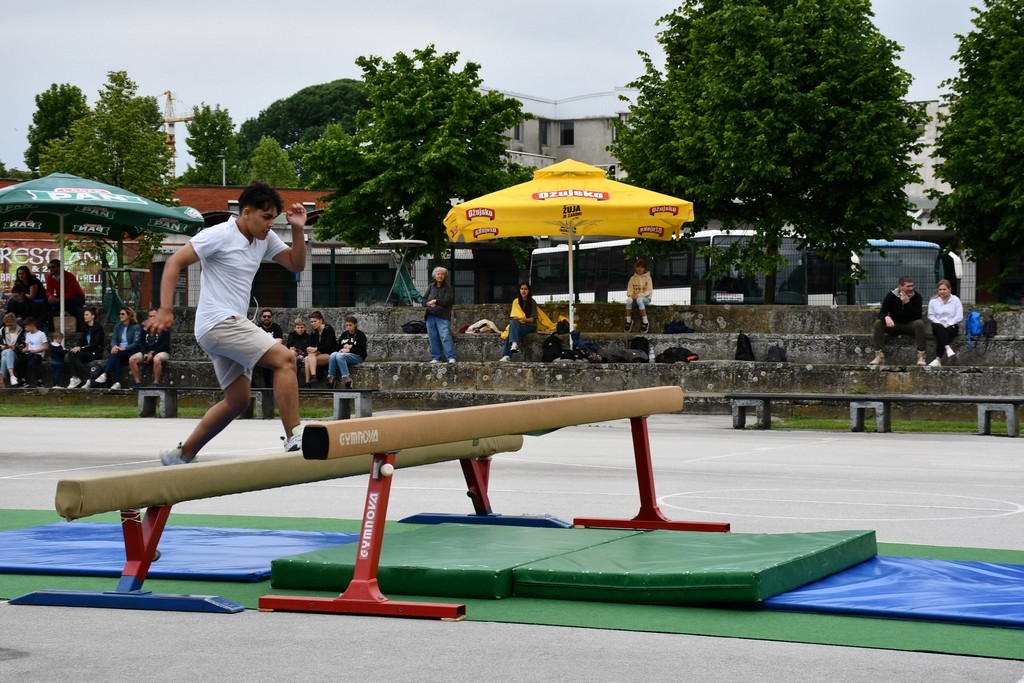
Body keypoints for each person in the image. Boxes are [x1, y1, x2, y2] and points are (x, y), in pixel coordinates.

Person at [148, 181, 307, 464]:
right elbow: (174, 262)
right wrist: (165, 308)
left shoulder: (264, 239)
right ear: (247, 212)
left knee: (238, 401)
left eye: (274, 219)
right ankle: (295, 437)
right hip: (218, 321)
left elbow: (296, 264)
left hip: (223, 327)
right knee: (285, 359)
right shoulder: (218, 234)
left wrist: (297, 229)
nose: (270, 225)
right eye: (266, 218)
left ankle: (182, 454)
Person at [869, 276, 927, 366]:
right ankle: (879, 355)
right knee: (878, 323)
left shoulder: (917, 296)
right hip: (894, 326)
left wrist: (907, 303)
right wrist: (886, 318)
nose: (911, 288)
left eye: (912, 286)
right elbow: (882, 313)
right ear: (900, 286)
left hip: (909, 325)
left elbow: (917, 316)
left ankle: (921, 356)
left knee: (919, 324)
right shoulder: (891, 296)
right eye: (908, 286)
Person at [499, 282, 556, 362]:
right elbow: (513, 317)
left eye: (525, 289)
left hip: (530, 327)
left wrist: (521, 318)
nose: (523, 291)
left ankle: (507, 355)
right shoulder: (516, 302)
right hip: (519, 325)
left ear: (529, 291)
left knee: (512, 330)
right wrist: (518, 319)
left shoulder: (532, 302)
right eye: (521, 289)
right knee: (513, 324)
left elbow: (532, 320)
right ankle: (514, 344)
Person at [88, 307, 141, 389]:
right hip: (119, 351)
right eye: (120, 314)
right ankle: (117, 383)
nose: (120, 316)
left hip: (130, 351)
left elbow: (135, 343)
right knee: (116, 357)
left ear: (129, 315)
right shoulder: (118, 326)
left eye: (123, 314)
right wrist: (114, 346)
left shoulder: (135, 327)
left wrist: (124, 348)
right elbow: (114, 339)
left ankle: (105, 374)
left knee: (115, 355)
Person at [129, 308, 171, 388]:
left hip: (162, 351)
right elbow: (141, 343)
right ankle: (138, 382)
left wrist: (153, 354)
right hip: (147, 352)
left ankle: (156, 382)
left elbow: (164, 345)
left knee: (156, 359)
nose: (152, 318)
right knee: (132, 359)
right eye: (150, 316)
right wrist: (145, 354)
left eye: (154, 316)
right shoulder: (145, 328)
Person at [926, 279, 964, 367]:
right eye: (940, 289)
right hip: (937, 325)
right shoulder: (933, 301)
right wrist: (940, 323)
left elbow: (959, 316)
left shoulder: (955, 300)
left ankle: (938, 360)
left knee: (942, 335)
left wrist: (949, 323)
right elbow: (931, 316)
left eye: (944, 289)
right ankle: (948, 348)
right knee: (939, 327)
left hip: (951, 326)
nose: (942, 291)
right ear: (937, 290)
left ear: (949, 289)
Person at [66, 306, 106, 389]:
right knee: (72, 354)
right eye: (84, 315)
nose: (85, 316)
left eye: (87, 315)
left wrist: (81, 348)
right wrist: (77, 346)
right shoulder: (85, 327)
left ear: (93, 316)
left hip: (95, 351)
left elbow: (95, 343)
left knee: (75, 356)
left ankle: (85, 378)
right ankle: (76, 378)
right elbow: (82, 340)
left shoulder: (98, 328)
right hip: (87, 351)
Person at [423, 265, 456, 363]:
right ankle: (436, 357)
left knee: (445, 335)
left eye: (442, 274)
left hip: (443, 315)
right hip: (430, 315)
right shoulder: (430, 287)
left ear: (445, 276)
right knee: (432, 337)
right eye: (438, 274)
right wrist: (428, 303)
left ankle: (451, 357)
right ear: (435, 276)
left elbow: (447, 301)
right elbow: (423, 300)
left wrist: (435, 301)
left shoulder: (448, 288)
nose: (440, 276)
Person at [45, 259, 86, 332]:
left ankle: (80, 326)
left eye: (53, 267)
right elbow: (49, 290)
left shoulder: (68, 276)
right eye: (49, 267)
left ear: (59, 267)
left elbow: (71, 293)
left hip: (77, 297)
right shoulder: (50, 277)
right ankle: (50, 326)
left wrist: (58, 300)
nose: (51, 269)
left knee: (69, 303)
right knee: (46, 303)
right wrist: (50, 296)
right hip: (62, 297)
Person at [327, 315, 367, 389]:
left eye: (350, 325)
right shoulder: (344, 334)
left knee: (340, 356)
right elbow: (338, 347)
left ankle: (347, 378)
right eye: (346, 325)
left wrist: (349, 350)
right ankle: (331, 378)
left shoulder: (360, 335)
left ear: (355, 325)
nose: (348, 327)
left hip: (358, 356)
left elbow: (362, 350)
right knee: (333, 355)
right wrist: (341, 350)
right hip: (344, 356)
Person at [304, 310, 336, 388]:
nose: (313, 323)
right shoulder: (314, 333)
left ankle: (310, 381)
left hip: (330, 354)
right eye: (311, 322)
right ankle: (310, 379)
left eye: (315, 321)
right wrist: (310, 349)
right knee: (307, 358)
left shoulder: (328, 329)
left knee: (308, 359)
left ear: (321, 321)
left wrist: (316, 349)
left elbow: (329, 345)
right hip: (319, 354)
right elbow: (312, 345)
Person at [15, 316, 47, 388]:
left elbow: (46, 347)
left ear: (32, 325)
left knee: (32, 363)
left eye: (26, 327)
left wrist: (36, 351)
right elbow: (27, 346)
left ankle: (40, 381)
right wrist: (24, 350)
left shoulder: (41, 334)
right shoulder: (28, 335)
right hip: (29, 353)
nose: (25, 329)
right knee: (18, 362)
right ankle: (23, 381)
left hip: (38, 354)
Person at [255, 308, 284, 387]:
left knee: (267, 360)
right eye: (264, 316)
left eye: (268, 316)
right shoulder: (257, 328)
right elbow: (254, 342)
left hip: (272, 353)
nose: (266, 318)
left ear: (272, 318)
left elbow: (278, 343)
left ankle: (267, 384)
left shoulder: (276, 328)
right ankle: (252, 384)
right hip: (259, 352)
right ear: (261, 318)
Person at [625, 258, 653, 333]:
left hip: (646, 299)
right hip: (635, 298)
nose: (639, 269)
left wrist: (639, 295)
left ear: (644, 268)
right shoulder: (632, 278)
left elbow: (648, 291)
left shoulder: (648, 278)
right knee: (628, 300)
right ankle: (628, 321)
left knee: (639, 300)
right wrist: (631, 295)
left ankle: (645, 321)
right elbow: (629, 290)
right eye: (638, 267)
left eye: (641, 267)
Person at [0, 313, 24, 388]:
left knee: (5, 358)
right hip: (4, 351)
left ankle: (1, 382)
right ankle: (12, 376)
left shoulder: (21, 330)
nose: (9, 327)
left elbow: (24, 344)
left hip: (16, 354)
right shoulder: (2, 330)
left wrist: (16, 348)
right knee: (8, 351)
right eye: (7, 325)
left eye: (11, 325)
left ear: (15, 322)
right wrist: (2, 347)